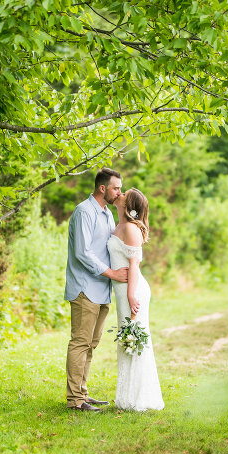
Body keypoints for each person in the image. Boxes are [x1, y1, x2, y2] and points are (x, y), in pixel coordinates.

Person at [64, 168, 128, 412]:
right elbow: (82, 253)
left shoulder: (107, 214)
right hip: (85, 288)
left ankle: (83, 394)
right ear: (103, 188)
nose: (119, 192)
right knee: (80, 343)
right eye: (116, 188)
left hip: (102, 290)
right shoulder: (84, 211)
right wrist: (112, 273)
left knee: (91, 344)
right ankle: (74, 400)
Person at [108, 188, 164, 411]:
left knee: (134, 339)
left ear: (128, 205)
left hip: (133, 289)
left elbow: (134, 264)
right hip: (122, 290)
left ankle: (141, 399)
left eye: (123, 195)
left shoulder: (131, 229)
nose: (119, 195)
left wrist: (131, 295)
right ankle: (127, 397)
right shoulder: (119, 226)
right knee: (127, 338)